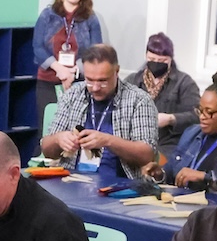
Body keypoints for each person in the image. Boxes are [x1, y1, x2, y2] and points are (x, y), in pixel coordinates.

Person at [40, 45, 158, 179]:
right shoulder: (73, 95)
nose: (95, 88)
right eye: (89, 80)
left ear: (117, 71)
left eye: (102, 81)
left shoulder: (139, 100)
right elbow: (47, 150)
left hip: (119, 186)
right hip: (72, 180)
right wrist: (58, 139)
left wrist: (108, 141)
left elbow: (147, 155)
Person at [150, 70, 217, 192]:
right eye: (200, 110)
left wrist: (205, 177)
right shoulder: (191, 133)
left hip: (216, 209)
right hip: (181, 204)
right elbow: (171, 171)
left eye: (209, 112)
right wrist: (159, 174)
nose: (202, 117)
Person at [33, 0, 105, 117]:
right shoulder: (47, 15)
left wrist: (73, 71)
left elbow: (95, 50)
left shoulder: (91, 18)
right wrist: (60, 69)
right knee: (48, 128)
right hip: (48, 81)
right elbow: (37, 47)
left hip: (79, 82)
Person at [127, 33, 201, 153]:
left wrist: (171, 119)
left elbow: (197, 116)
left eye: (162, 60)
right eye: (151, 59)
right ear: (146, 56)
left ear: (171, 59)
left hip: (169, 146)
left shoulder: (184, 83)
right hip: (134, 142)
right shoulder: (133, 81)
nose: (156, 63)